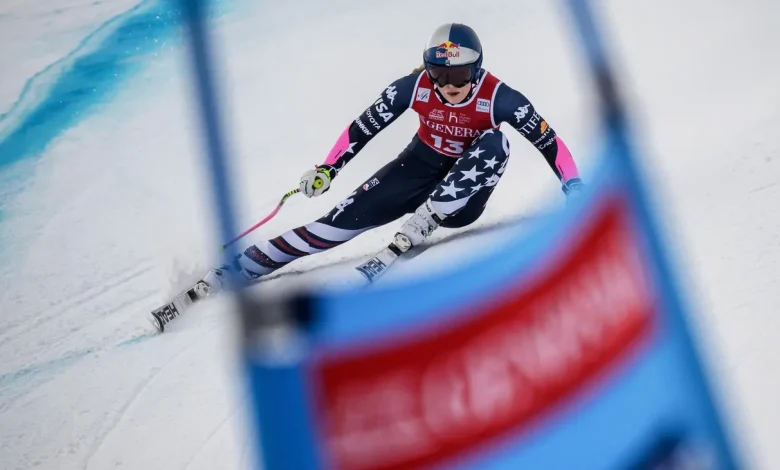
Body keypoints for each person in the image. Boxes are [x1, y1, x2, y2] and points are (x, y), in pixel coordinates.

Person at [203, 22, 584, 292]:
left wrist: (574, 186)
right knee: (332, 224)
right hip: (416, 168)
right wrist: (328, 169)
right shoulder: (412, 87)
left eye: (460, 75)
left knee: (497, 142)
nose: (449, 85)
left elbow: (549, 142)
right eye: (439, 74)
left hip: (461, 201)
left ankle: (430, 215)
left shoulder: (501, 97)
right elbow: (363, 127)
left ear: (478, 68)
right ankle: (246, 265)